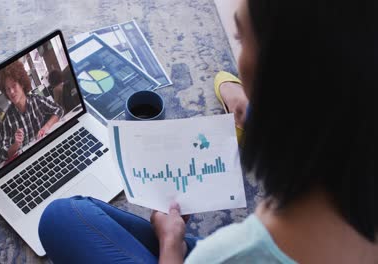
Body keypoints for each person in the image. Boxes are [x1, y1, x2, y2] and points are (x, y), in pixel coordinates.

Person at [38, 0, 378, 263]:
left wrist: (171, 246)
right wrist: (244, 99)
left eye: (240, 39)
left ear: (279, 75)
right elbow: (224, 80)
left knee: (60, 218)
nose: (238, 55)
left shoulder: (230, 252)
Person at [0, 60, 64, 160]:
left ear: (22, 84)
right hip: (27, 160)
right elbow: (3, 154)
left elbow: (59, 110)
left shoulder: (36, 100)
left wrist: (46, 126)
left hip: (47, 151)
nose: (11, 92)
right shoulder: (7, 120)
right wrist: (16, 144)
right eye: (7, 89)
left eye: (14, 85)